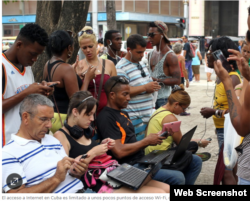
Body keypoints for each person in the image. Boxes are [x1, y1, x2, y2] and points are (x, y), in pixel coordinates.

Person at [54, 91, 169, 193]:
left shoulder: (82, 130)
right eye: (88, 114)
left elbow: (90, 152)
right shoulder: (61, 136)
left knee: (166, 188)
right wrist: (94, 151)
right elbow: (68, 171)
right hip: (98, 183)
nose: (92, 119)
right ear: (75, 112)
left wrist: (102, 145)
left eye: (93, 114)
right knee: (160, 193)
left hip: (113, 173)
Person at [97, 76, 196, 185]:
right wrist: (147, 141)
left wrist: (157, 137)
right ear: (112, 95)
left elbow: (132, 142)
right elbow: (119, 152)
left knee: (194, 160)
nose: (129, 98)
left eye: (129, 94)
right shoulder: (106, 117)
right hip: (127, 167)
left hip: (142, 159)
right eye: (125, 94)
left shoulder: (123, 113)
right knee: (178, 177)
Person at [2, 94, 89, 193]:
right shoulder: (8, 154)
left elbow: (68, 173)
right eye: (43, 119)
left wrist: (76, 171)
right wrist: (55, 179)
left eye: (51, 119)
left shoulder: (52, 140)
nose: (50, 125)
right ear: (25, 117)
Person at [2, 23, 54, 146]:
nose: (35, 59)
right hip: (6, 144)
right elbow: (24, 93)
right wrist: (26, 92)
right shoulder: (2, 66)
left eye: (38, 55)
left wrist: (40, 92)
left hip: (26, 142)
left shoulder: (26, 67)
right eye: (32, 54)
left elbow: (27, 102)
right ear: (19, 45)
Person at [200, 36, 241, 185]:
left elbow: (237, 111)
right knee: (231, 168)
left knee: (226, 171)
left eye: (210, 53)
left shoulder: (233, 79)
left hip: (230, 130)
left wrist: (214, 112)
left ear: (220, 56)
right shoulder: (222, 77)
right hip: (222, 129)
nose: (207, 56)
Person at [145, 85, 207, 184]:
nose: (184, 111)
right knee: (192, 149)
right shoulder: (170, 118)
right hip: (158, 157)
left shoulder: (160, 110)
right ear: (176, 104)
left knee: (196, 159)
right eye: (184, 108)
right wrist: (199, 142)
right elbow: (181, 143)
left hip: (155, 153)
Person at [43, 30, 84, 133]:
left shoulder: (47, 64)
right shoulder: (66, 68)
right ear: (69, 48)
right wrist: (87, 79)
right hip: (65, 119)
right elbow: (77, 99)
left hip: (53, 116)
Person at [116, 34, 161, 123]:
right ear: (129, 50)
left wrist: (152, 87)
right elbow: (122, 92)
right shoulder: (120, 68)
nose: (142, 55)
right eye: (139, 52)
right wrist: (145, 87)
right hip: (135, 119)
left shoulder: (141, 64)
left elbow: (146, 84)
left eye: (143, 52)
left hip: (148, 116)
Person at [74, 26, 117, 115]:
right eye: (84, 48)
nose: (88, 50)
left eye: (90, 46)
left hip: (107, 115)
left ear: (96, 44)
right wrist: (81, 78)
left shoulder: (109, 64)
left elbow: (116, 91)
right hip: (86, 115)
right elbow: (76, 98)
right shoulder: (77, 66)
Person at [147, 21, 181, 109]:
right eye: (148, 34)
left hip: (163, 99)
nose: (149, 37)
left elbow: (177, 80)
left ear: (162, 35)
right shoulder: (150, 54)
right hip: (150, 99)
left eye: (152, 34)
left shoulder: (170, 56)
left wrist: (157, 80)